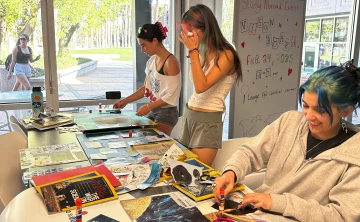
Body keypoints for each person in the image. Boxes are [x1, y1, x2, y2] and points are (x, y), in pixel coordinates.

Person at [213, 61, 360, 221]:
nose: (308, 116)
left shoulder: (354, 155)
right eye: (305, 105)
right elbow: (251, 151)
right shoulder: (289, 121)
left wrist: (277, 202)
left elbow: (340, 216)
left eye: (320, 110)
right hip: (254, 213)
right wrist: (231, 173)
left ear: (346, 111)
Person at [177, 4, 242, 166]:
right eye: (186, 30)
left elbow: (201, 86)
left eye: (191, 30)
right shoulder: (202, 51)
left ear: (206, 28)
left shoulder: (227, 54)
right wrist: (196, 51)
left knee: (196, 173)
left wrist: (193, 51)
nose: (189, 35)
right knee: (180, 171)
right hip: (190, 114)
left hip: (208, 119)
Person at [113, 22, 181, 136]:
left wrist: (148, 107)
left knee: (154, 145)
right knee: (141, 138)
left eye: (143, 45)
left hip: (167, 112)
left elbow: (170, 96)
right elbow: (146, 88)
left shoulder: (171, 62)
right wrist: (126, 101)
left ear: (155, 41)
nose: (142, 50)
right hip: (154, 110)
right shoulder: (151, 61)